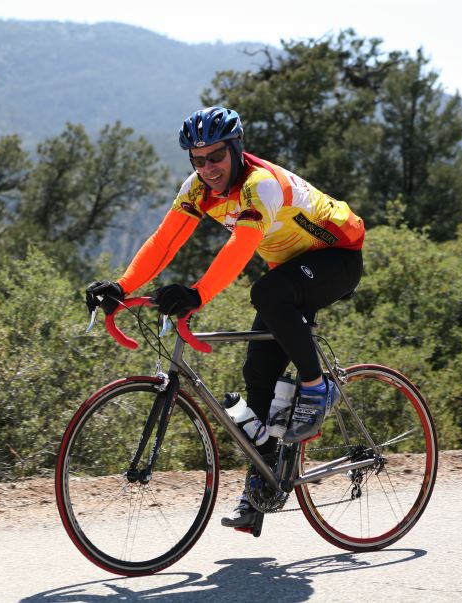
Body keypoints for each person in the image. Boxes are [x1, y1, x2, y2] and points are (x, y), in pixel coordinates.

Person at [85, 106, 365, 529]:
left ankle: (316, 387)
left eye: (215, 156)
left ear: (236, 149)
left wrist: (196, 294)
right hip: (292, 271)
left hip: (337, 257)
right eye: (197, 160)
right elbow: (165, 242)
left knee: (267, 292)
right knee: (257, 373)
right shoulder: (197, 189)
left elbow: (240, 247)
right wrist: (122, 286)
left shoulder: (261, 185)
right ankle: (261, 490)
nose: (207, 168)